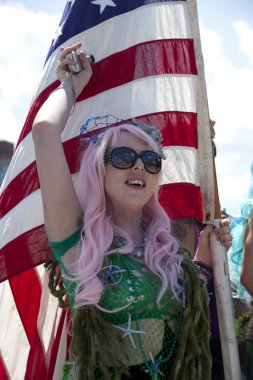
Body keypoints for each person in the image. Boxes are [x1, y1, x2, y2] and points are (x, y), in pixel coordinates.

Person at [32, 43, 232, 380]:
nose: (139, 166)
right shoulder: (77, 241)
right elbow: (44, 132)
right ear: (100, 170)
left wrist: (213, 255)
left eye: (151, 161)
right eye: (124, 157)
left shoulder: (169, 248)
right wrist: (71, 85)